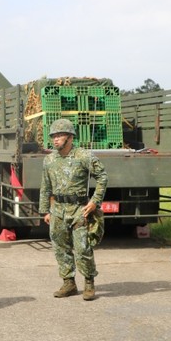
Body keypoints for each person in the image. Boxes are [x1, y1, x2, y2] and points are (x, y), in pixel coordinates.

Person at [39, 118, 108, 301]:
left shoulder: (83, 156)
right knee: (60, 248)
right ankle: (68, 282)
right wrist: (45, 210)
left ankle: (89, 283)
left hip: (79, 209)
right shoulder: (49, 160)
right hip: (58, 210)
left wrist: (95, 202)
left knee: (83, 248)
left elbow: (102, 176)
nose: (55, 139)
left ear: (70, 137)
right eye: (53, 136)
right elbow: (45, 186)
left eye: (59, 136)